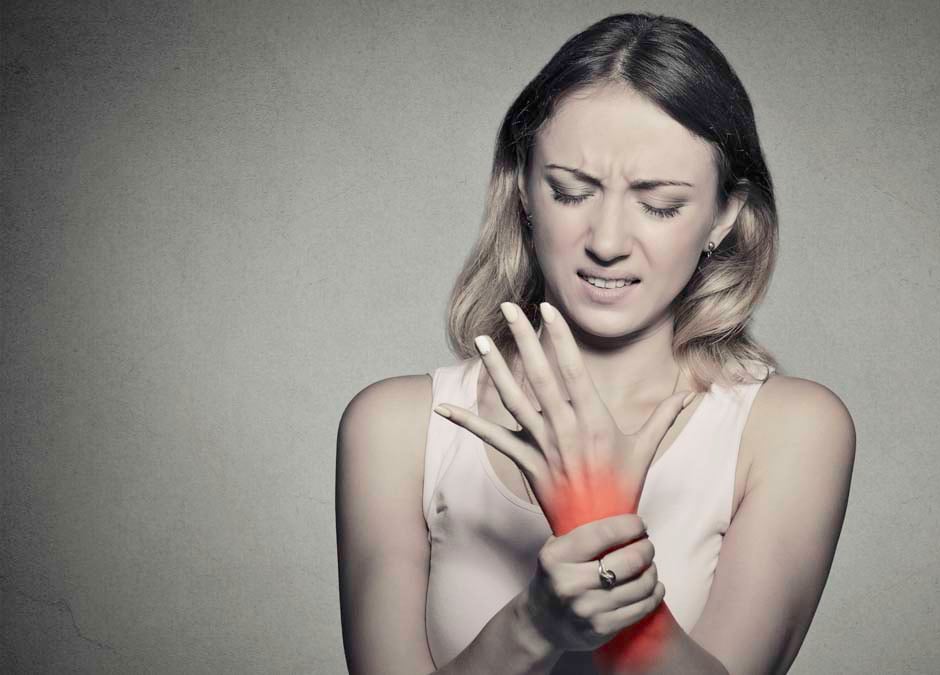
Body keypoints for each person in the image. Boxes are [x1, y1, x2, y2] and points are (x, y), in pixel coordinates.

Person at [335, 12, 855, 675]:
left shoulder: (790, 430)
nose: (607, 240)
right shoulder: (396, 427)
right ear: (522, 189)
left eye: (659, 204)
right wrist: (533, 624)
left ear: (724, 216)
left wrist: (599, 525)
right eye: (570, 190)